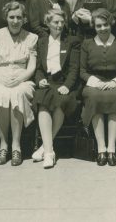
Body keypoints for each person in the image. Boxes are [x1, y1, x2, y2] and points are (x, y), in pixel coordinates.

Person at [0, 1, 38, 166]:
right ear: (6, 18)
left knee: (17, 93)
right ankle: (3, 144)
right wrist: (1, 79)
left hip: (22, 79)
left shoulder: (31, 37)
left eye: (19, 17)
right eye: (11, 17)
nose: (15, 21)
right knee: (0, 93)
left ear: (24, 19)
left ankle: (16, 145)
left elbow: (32, 66)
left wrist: (20, 79)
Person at [79, 9, 116, 166]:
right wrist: (97, 83)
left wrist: (115, 82)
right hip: (94, 83)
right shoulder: (87, 44)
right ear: (94, 27)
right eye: (99, 26)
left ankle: (112, 148)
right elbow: (82, 70)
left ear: (111, 24)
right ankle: (101, 148)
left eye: (105, 25)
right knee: (93, 97)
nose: (102, 29)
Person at [32, 9, 82, 169]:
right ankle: (49, 150)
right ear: (47, 23)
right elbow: (39, 68)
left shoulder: (72, 41)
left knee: (60, 101)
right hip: (48, 82)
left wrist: (67, 86)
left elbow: (74, 68)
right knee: (42, 101)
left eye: (62, 22)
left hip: (65, 83)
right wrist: (40, 80)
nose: (59, 25)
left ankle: (46, 149)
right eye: (55, 22)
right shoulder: (41, 41)